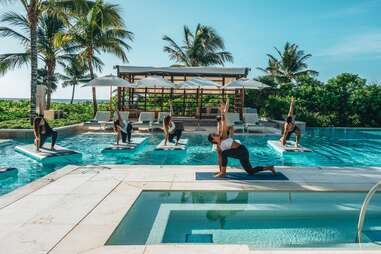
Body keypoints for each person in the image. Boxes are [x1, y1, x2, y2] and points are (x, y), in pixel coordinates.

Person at [208, 99, 275, 178]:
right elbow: (220, 159)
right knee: (250, 171)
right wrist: (220, 170)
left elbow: (223, 123)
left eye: (215, 134)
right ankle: (269, 167)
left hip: (242, 150)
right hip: (240, 154)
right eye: (214, 135)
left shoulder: (224, 136)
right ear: (213, 140)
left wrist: (223, 112)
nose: (216, 134)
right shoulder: (219, 147)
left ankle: (223, 173)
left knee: (224, 153)